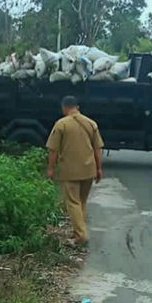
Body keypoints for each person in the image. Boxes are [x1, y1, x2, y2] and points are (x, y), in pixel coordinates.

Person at [45, 96, 104, 247]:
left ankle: (81, 235)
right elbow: (98, 149)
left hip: (70, 170)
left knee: (72, 202)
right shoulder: (91, 123)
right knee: (81, 202)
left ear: (64, 107)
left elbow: (53, 150)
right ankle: (78, 232)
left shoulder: (61, 124)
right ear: (77, 107)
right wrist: (99, 168)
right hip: (88, 169)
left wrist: (50, 168)